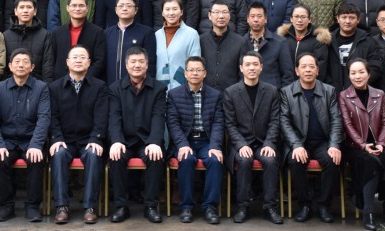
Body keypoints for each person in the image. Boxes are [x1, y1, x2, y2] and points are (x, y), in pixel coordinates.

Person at [0, 48, 51, 222]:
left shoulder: (41, 88)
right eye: (17, 62)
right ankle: (6, 206)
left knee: (36, 159)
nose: (21, 65)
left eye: (25, 62)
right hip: (7, 140)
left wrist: (36, 144)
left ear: (32, 67)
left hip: (30, 140)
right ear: (10, 66)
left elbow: (44, 118)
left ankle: (32, 206)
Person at [339, 59, 385, 230]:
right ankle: (369, 212)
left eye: (361, 72)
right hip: (355, 146)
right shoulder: (344, 96)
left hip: (378, 143)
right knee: (370, 162)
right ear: (349, 75)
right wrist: (363, 145)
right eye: (353, 73)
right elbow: (347, 125)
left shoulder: (379, 94)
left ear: (368, 74)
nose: (357, 76)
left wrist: (381, 143)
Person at [280, 53, 343, 223]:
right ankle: (304, 205)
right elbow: (284, 122)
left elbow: (336, 120)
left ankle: (324, 205)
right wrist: (296, 145)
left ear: (317, 70)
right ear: (297, 71)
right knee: (296, 161)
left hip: (323, 142)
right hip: (300, 142)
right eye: (304, 67)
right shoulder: (286, 92)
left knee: (332, 160)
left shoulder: (329, 91)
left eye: (311, 66)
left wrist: (334, 144)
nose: (308, 70)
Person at [49, 45, 108, 225]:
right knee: (58, 154)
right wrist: (57, 138)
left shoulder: (99, 86)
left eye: (83, 57)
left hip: (88, 140)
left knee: (94, 154)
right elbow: (52, 117)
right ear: (67, 62)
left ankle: (90, 207)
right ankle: (61, 206)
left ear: (89, 63)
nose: (78, 60)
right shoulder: (55, 87)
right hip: (65, 140)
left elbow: (101, 116)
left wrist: (96, 138)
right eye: (74, 57)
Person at [107, 46, 167, 224]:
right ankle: (121, 206)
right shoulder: (115, 88)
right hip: (125, 140)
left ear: (147, 65)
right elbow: (114, 117)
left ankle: (151, 206)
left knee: (156, 156)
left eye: (141, 61)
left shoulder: (159, 88)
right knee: (116, 156)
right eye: (133, 62)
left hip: (147, 140)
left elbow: (158, 116)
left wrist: (154, 141)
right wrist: (116, 141)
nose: (137, 65)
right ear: (126, 65)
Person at [223, 51, 283, 225]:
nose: (251, 68)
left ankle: (270, 207)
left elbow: (275, 121)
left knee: (270, 160)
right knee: (244, 160)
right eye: (247, 64)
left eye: (255, 64)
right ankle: (243, 207)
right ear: (241, 68)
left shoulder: (272, 91)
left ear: (261, 67)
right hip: (241, 143)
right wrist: (241, 145)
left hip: (265, 142)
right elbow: (230, 124)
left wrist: (270, 143)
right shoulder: (231, 92)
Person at [166, 56, 224, 225]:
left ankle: (210, 207)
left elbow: (218, 123)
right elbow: (173, 123)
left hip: (207, 141)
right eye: (191, 70)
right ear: (185, 73)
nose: (195, 73)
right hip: (186, 140)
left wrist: (215, 145)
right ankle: (186, 207)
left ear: (205, 73)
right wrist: (183, 145)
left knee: (215, 160)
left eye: (199, 70)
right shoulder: (174, 95)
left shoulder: (215, 95)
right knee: (186, 159)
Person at [104, 0, 157, 85]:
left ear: (136, 10)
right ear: (116, 10)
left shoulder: (146, 32)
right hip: (110, 86)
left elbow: (150, 63)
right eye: (121, 6)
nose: (124, 8)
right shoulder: (107, 33)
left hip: (136, 87)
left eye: (129, 6)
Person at [327, 3, 383, 92]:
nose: (347, 21)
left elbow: (375, 67)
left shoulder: (368, 41)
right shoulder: (328, 41)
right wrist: (330, 86)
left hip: (360, 91)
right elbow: (322, 67)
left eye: (352, 18)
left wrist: (360, 84)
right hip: (332, 91)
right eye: (344, 17)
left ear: (358, 19)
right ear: (338, 19)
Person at [52, 0, 106, 80]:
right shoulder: (57, 33)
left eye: (81, 5)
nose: (77, 9)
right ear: (67, 8)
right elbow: (52, 60)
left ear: (87, 8)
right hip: (61, 82)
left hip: (88, 82)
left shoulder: (97, 32)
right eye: (74, 5)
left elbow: (100, 61)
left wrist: (83, 78)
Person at [155, 0, 200, 91]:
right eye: (167, 9)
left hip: (183, 87)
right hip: (159, 88)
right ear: (162, 13)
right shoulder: (156, 35)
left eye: (175, 9)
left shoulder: (191, 34)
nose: (171, 13)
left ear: (181, 12)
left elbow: (195, 63)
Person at [3, 0, 54, 81]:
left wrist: (46, 86)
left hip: (37, 84)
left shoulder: (45, 35)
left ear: (35, 11)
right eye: (21, 7)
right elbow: (3, 66)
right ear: (15, 11)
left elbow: (48, 65)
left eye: (29, 7)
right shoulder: (6, 36)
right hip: (11, 83)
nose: (25, 11)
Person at [200, 0, 247, 91]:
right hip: (206, 94)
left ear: (229, 15)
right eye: (217, 12)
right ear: (209, 15)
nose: (221, 16)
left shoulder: (240, 42)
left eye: (225, 12)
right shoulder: (200, 40)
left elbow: (243, 73)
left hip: (232, 94)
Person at [244, 1, 294, 88]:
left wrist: (282, 95)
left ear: (265, 19)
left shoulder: (280, 43)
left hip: (272, 93)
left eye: (259, 16)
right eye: (252, 16)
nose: (255, 19)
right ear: (248, 19)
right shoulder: (241, 42)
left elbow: (287, 75)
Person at [277, 4, 330, 69]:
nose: (299, 20)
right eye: (296, 16)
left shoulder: (318, 40)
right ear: (291, 19)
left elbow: (320, 65)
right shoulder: (283, 39)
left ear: (309, 19)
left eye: (303, 17)